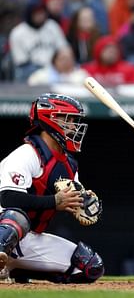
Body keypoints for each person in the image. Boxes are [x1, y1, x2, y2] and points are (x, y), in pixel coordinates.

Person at [0, 93, 104, 283]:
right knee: (17, 216)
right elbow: (8, 199)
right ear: (51, 119)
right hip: (5, 228)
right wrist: (54, 202)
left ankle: (14, 269)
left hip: (29, 240)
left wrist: (84, 204)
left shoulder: (70, 165)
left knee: (91, 266)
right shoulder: (27, 153)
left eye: (75, 120)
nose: (74, 126)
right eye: (69, 119)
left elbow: (73, 202)